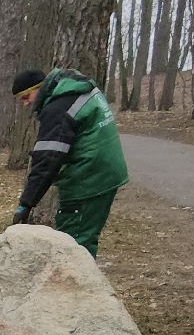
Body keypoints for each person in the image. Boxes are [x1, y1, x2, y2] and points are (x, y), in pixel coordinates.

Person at [9, 67, 129, 256]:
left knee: (74, 242)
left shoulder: (58, 106)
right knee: (86, 236)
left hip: (88, 178)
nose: (25, 104)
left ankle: (79, 284)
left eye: (26, 97)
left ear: (39, 88)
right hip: (105, 172)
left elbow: (47, 160)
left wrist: (26, 203)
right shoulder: (75, 89)